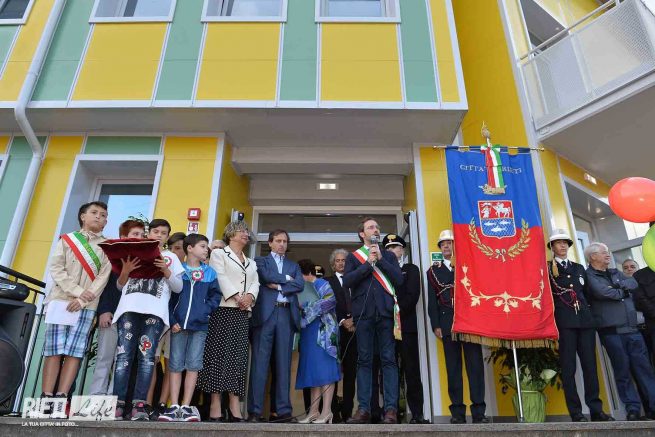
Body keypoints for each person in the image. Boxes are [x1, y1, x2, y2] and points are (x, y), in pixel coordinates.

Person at [41, 202, 112, 414]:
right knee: (53, 351)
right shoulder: (67, 240)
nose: (99, 217)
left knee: (75, 352)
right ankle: (46, 398)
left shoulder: (108, 246)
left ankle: (61, 397)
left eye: (103, 215)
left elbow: (103, 276)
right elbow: (56, 268)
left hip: (87, 305)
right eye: (94, 213)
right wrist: (78, 292)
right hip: (61, 300)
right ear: (82, 216)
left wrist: (82, 300)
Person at [112, 219, 184, 421]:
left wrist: (166, 271)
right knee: (123, 356)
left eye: (163, 233)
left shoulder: (170, 257)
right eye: (155, 231)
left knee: (147, 357)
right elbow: (119, 286)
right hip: (129, 308)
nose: (159, 235)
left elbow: (178, 287)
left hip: (155, 312)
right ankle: (118, 404)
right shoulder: (132, 251)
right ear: (148, 233)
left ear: (167, 237)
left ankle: (140, 405)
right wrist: (126, 270)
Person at [546, 230, 613, 422]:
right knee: (569, 368)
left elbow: (587, 293)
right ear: (552, 247)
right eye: (558, 243)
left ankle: (596, 409)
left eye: (565, 242)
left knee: (590, 366)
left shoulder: (578, 267)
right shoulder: (548, 269)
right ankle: (575, 412)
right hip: (565, 322)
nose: (563, 246)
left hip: (585, 321)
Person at [585, 242, 655, 420]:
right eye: (604, 252)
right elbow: (602, 292)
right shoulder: (589, 275)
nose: (608, 255)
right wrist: (621, 291)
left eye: (607, 252)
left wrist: (617, 288)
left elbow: (633, 283)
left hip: (633, 330)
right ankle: (632, 410)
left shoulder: (616, 272)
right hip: (612, 332)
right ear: (593, 256)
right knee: (622, 372)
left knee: (645, 370)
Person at [198, 221, 259, 422]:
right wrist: (236, 296)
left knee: (238, 359)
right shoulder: (219, 254)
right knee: (218, 356)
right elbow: (220, 277)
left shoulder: (251, 262)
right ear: (231, 234)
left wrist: (249, 296)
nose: (245, 234)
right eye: (241, 231)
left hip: (241, 314)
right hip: (223, 311)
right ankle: (215, 405)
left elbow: (255, 282)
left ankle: (234, 405)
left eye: (247, 231)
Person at [344, 217, 403, 424]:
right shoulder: (354, 257)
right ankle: (364, 409)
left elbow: (399, 279)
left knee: (389, 360)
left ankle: (391, 410)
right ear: (362, 234)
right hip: (364, 314)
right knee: (364, 361)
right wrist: (368, 263)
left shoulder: (388, 256)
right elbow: (347, 281)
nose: (375, 229)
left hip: (385, 314)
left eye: (377, 227)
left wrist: (381, 260)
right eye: (370, 227)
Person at [426, 230, 487, 424]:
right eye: (443, 243)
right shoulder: (433, 271)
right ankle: (457, 413)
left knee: (475, 367)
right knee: (453, 369)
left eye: (449, 242)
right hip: (447, 323)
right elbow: (432, 302)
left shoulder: (468, 266)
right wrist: (436, 324)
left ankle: (479, 412)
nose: (446, 246)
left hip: (470, 322)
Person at [248, 229, 304, 423]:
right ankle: (255, 411)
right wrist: (287, 280)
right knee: (259, 364)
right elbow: (265, 276)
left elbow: (300, 285)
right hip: (265, 316)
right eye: (278, 241)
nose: (282, 244)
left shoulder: (293, 265)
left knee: (283, 365)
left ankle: (283, 411)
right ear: (270, 243)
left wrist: (279, 285)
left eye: (285, 241)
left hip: (286, 315)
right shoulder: (260, 261)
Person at [89, 219, 146, 396]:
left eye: (142, 235)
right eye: (135, 234)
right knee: (104, 357)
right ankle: (96, 396)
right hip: (111, 314)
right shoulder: (112, 257)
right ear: (123, 237)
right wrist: (104, 310)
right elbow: (104, 287)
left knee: (123, 360)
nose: (139, 237)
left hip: (132, 317)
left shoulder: (145, 260)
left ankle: (114, 399)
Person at [383, 234, 428, 424]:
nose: (392, 251)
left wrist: (394, 311)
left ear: (402, 250)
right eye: (388, 248)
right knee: (388, 370)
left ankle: (417, 413)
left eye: (395, 247)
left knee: (411, 370)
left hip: (406, 327)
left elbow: (412, 296)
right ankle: (389, 412)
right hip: (385, 328)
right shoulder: (380, 271)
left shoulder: (410, 269)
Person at [295, 259, 340, 424]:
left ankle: (327, 411)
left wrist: (306, 307)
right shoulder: (301, 288)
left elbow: (330, 301)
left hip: (324, 334)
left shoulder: (322, 283)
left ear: (306, 273)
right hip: (308, 332)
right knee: (312, 371)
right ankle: (313, 411)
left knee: (325, 370)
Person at [326, 248, 356, 423]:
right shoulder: (327, 282)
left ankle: (348, 412)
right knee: (334, 372)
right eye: (337, 260)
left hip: (355, 332)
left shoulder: (356, 280)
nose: (341, 263)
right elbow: (327, 304)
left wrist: (354, 320)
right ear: (333, 264)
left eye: (344, 260)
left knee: (351, 373)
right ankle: (333, 412)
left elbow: (361, 301)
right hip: (335, 332)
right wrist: (343, 320)